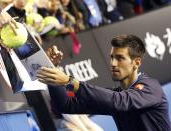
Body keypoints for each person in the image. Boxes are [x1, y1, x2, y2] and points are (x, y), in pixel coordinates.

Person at [36, 34, 171, 131]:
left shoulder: (151, 87)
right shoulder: (115, 95)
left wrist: (69, 81)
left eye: (120, 58)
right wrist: (52, 69)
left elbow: (119, 102)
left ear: (136, 63)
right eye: (112, 57)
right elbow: (66, 106)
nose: (112, 63)